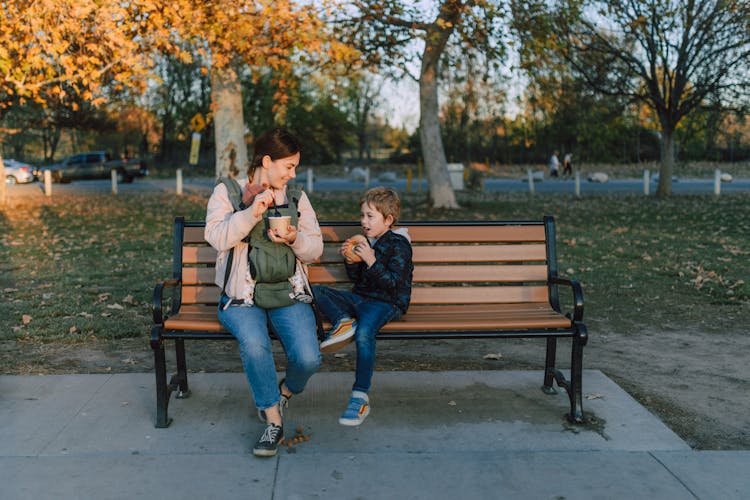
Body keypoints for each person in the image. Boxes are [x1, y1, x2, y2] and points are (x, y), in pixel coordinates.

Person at [204, 127, 323, 457]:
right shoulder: (228, 192)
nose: (293, 174)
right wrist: (252, 212)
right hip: (242, 298)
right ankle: (272, 419)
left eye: (295, 167)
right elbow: (217, 238)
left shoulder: (296, 198)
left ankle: (284, 391)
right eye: (288, 166)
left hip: (288, 292)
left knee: (309, 358)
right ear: (267, 161)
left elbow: (315, 250)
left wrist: (294, 239)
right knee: (255, 345)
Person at [312, 187, 413, 426]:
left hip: (387, 302)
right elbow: (359, 281)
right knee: (315, 292)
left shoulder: (399, 245)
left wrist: (370, 259)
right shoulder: (366, 242)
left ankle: (359, 396)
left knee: (365, 332)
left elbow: (392, 284)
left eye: (370, 216)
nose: (363, 221)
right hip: (362, 297)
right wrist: (351, 261)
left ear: (388, 220)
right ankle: (344, 320)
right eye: (362, 215)